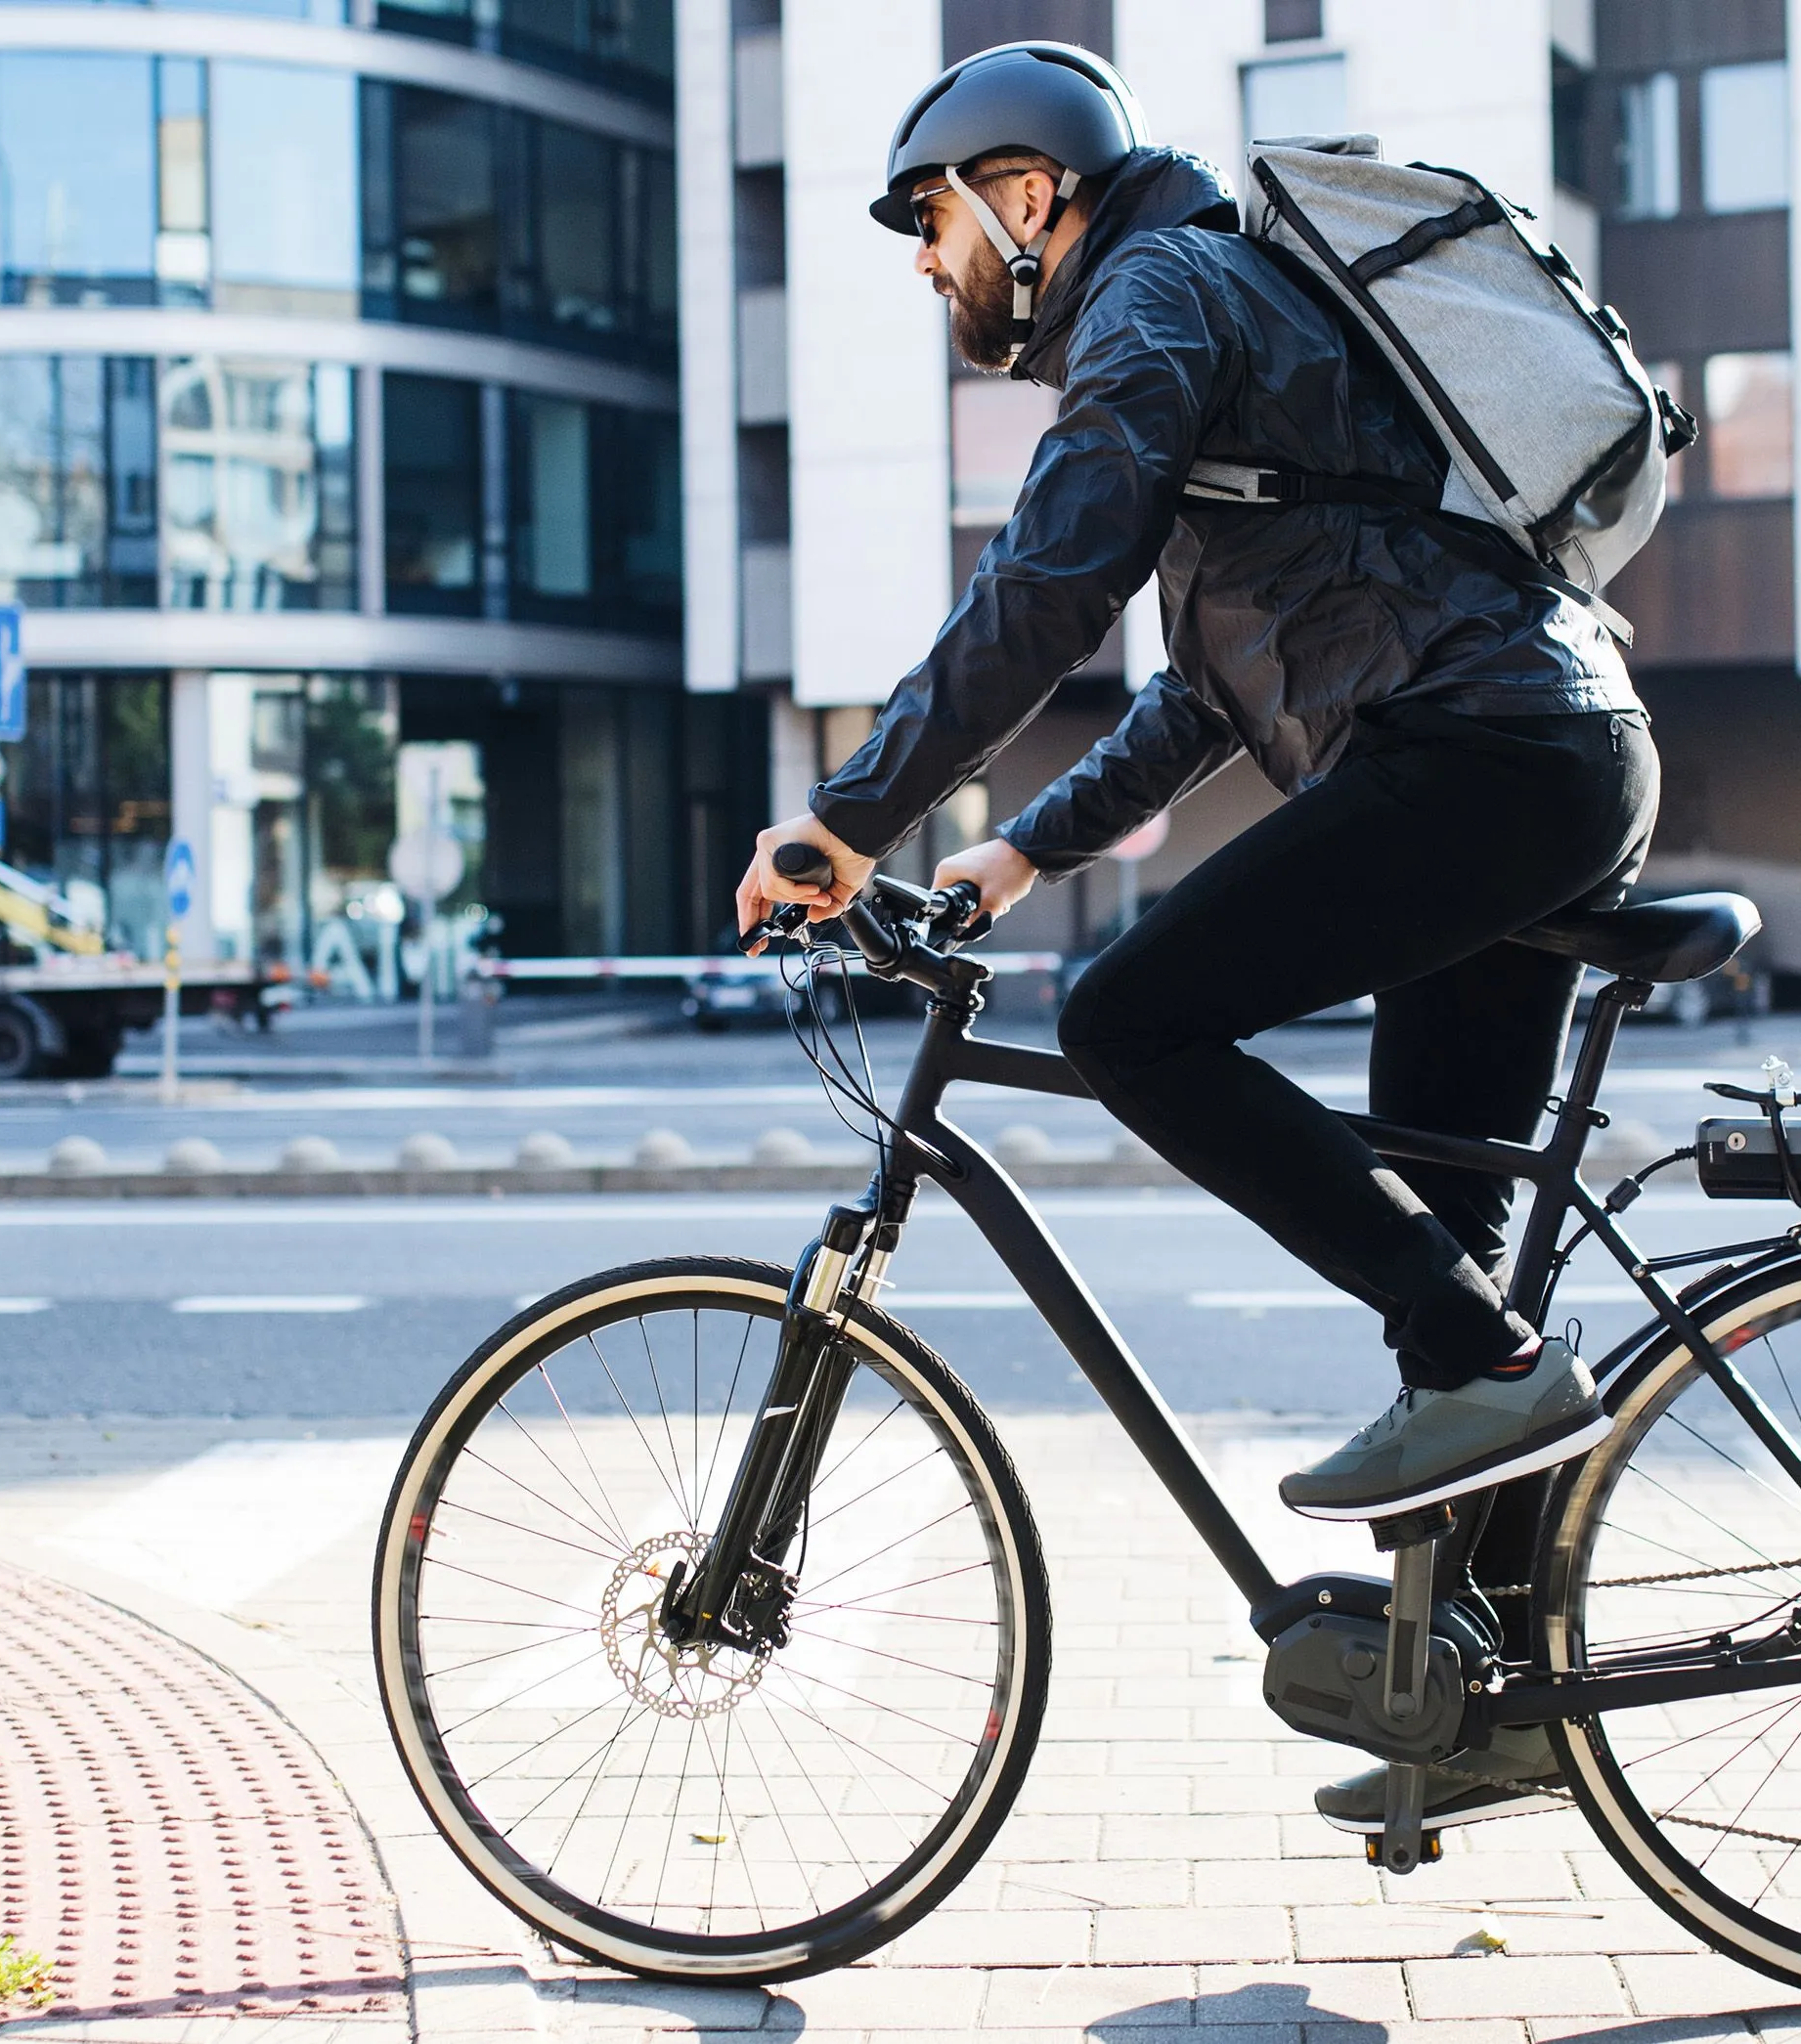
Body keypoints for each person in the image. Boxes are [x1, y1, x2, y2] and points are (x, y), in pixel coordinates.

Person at [731, 42, 1657, 1833]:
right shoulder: (1215, 307)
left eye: (932, 221)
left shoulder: (1157, 295)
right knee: (1440, 1241)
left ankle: (1498, 1370)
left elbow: (1050, 576)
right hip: (1534, 749)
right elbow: (1209, 685)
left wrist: (848, 814)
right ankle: (1496, 1700)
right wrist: (1009, 851)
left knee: (1131, 1023)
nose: (930, 265)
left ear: (1026, 193)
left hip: (1483, 754)